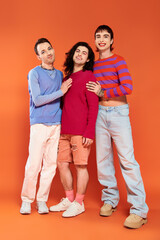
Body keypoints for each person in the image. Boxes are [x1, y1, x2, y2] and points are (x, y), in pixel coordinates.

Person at [86, 25, 148, 229]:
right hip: (100, 115)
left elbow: (128, 87)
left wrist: (103, 92)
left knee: (127, 161)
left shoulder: (118, 60)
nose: (101, 39)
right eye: (98, 36)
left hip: (119, 114)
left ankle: (139, 210)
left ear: (112, 41)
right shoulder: (93, 65)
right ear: (94, 41)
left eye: (105, 36)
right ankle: (110, 199)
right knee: (102, 159)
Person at [20, 38, 72, 214]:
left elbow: (63, 100)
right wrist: (61, 91)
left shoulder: (59, 74)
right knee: (34, 164)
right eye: (43, 51)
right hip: (39, 124)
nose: (48, 53)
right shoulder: (34, 73)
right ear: (38, 56)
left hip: (55, 124)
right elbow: (38, 99)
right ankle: (27, 200)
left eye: (49, 48)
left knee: (50, 165)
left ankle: (41, 200)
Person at [49, 42, 98, 217]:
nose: (80, 54)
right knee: (62, 164)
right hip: (64, 131)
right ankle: (69, 199)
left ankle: (79, 203)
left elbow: (94, 107)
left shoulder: (89, 77)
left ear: (88, 59)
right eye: (78, 51)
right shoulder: (66, 79)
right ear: (72, 54)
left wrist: (89, 132)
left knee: (80, 166)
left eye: (84, 53)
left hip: (80, 131)